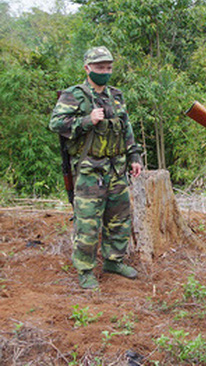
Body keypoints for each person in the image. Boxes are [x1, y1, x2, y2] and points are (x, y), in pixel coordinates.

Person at [49, 46, 144, 290]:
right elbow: (56, 123)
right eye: (100, 67)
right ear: (87, 68)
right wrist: (85, 120)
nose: (105, 71)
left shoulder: (116, 95)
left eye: (108, 67)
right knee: (88, 222)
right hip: (90, 169)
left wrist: (135, 156)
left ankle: (114, 261)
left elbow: (126, 127)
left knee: (120, 218)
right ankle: (85, 270)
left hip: (116, 168)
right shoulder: (74, 95)